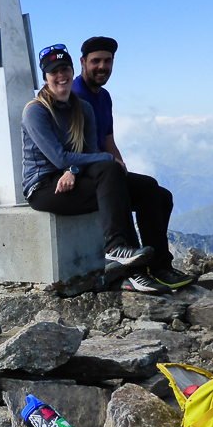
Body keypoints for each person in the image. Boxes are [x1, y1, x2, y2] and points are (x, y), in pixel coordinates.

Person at [21, 43, 181, 293]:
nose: (60, 75)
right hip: (43, 187)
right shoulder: (36, 111)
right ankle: (123, 259)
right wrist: (88, 164)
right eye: (54, 71)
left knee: (151, 189)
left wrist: (75, 171)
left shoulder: (82, 108)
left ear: (73, 69)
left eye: (64, 68)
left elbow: (89, 153)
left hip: (74, 177)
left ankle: (160, 267)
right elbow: (60, 158)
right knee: (111, 172)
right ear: (45, 77)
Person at [73, 36, 193, 290]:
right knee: (136, 191)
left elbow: (108, 140)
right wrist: (112, 168)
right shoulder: (75, 96)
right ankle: (133, 270)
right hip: (84, 176)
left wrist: (119, 162)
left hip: (105, 170)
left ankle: (160, 266)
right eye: (96, 61)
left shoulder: (104, 97)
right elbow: (76, 146)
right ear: (83, 62)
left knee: (160, 195)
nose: (102, 66)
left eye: (107, 61)